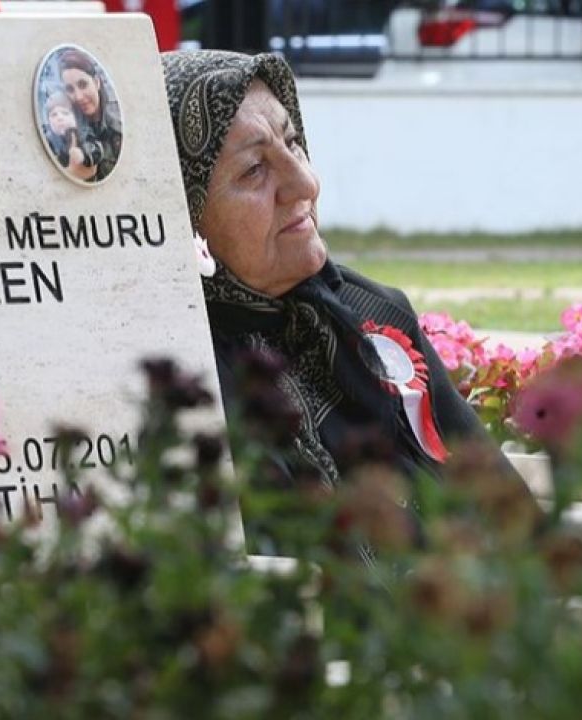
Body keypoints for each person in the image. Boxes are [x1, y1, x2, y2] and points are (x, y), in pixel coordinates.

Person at [160, 50, 529, 499]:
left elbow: (510, 509)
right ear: (183, 211)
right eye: (255, 169)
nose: (306, 183)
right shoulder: (187, 375)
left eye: (292, 142)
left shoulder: (373, 311)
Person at [57, 49, 123, 183]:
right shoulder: (67, 131)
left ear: (97, 82)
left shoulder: (118, 125)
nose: (78, 97)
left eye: (83, 85)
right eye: (70, 89)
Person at [41, 91, 104, 181]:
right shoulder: (49, 139)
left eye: (65, 113)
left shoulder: (84, 134)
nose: (59, 118)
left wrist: (83, 154)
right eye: (53, 115)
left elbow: (97, 149)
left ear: (76, 118)